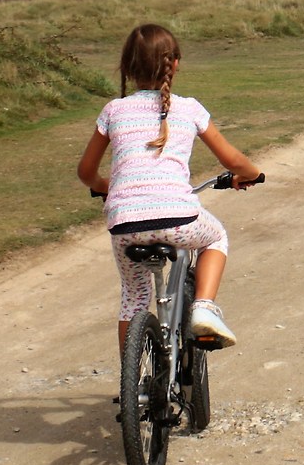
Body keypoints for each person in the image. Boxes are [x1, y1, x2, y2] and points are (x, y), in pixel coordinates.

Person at [76, 22, 263, 351]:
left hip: (125, 225)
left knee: (134, 300)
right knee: (216, 237)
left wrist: (108, 186)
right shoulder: (189, 108)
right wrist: (250, 172)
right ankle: (204, 307)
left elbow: (86, 171)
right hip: (179, 221)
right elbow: (233, 161)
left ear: (127, 68)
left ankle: (132, 382)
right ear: (174, 64)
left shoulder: (113, 110)